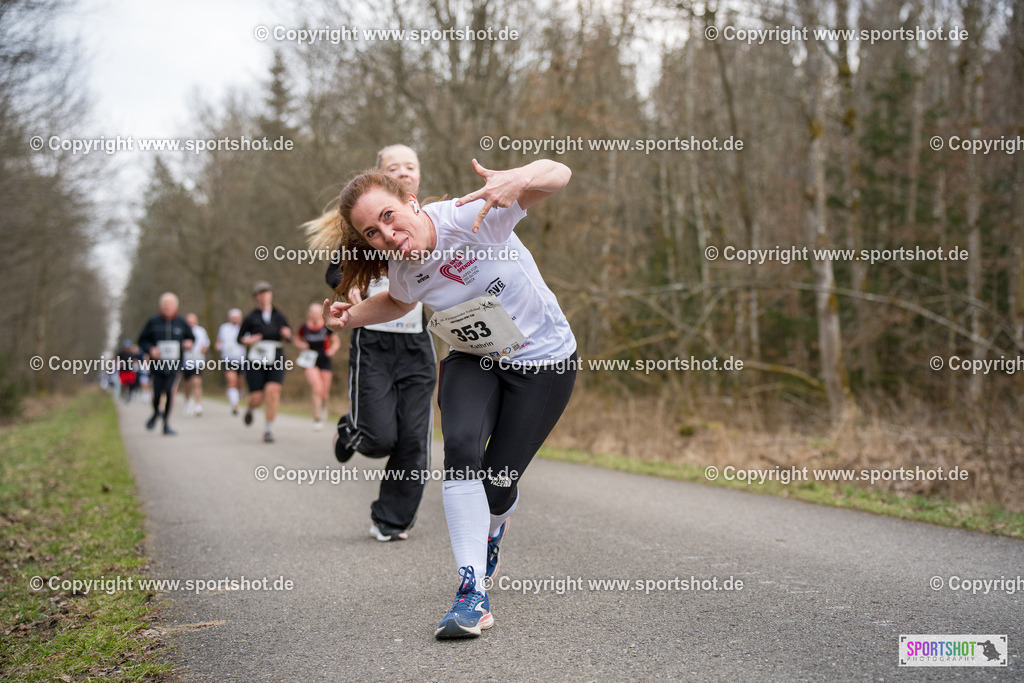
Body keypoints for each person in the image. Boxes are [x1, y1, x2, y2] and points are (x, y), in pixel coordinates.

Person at [323, 158, 576, 639]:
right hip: (473, 355)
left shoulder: (469, 216)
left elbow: (560, 174)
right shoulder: (402, 268)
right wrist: (351, 316)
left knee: (498, 486)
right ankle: (470, 595)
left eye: (389, 216)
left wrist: (520, 178)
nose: (387, 234)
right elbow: (399, 301)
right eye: (372, 233)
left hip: (544, 362)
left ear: (411, 201)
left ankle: (493, 529)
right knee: (460, 448)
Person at [310, 144, 438, 543]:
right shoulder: (364, 230)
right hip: (375, 345)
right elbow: (337, 275)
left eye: (410, 166)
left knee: (414, 439)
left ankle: (391, 519)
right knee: (380, 437)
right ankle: (353, 430)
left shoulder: (430, 218)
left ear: (416, 178)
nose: (404, 171)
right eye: (394, 167)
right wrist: (351, 290)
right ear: (378, 176)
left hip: (417, 344)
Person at [238, 281, 292, 443]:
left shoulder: (279, 316)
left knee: (273, 391)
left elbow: (289, 337)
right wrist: (248, 340)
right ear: (256, 297)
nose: (264, 296)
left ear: (271, 295)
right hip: (256, 359)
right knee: (257, 396)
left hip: (276, 356)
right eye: (260, 293)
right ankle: (250, 408)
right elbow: (239, 338)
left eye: (266, 292)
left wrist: (288, 335)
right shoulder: (250, 317)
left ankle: (268, 430)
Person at [137, 292, 195, 436]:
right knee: (157, 394)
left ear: (176, 306)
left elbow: (191, 338)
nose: (167, 307)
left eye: (170, 305)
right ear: (160, 306)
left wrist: (189, 343)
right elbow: (142, 340)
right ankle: (156, 412)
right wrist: (151, 349)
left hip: (175, 364)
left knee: (169, 391)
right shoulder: (153, 321)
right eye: (165, 305)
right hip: (157, 365)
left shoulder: (182, 322)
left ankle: (166, 424)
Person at [294, 302, 340, 430]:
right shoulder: (304, 327)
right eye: (312, 313)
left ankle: (323, 407)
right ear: (309, 314)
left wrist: (333, 350)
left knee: (324, 392)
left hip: (324, 359)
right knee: (316, 387)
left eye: (317, 313)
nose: (314, 315)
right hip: (309, 360)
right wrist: (301, 345)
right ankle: (317, 417)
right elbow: (297, 339)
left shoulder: (326, 326)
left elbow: (335, 342)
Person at [215, 308, 246, 415]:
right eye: (233, 318)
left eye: (237, 318)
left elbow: (248, 341)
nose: (235, 320)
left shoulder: (244, 328)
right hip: (228, 358)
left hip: (241, 359)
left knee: (240, 381)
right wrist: (218, 346)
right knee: (231, 380)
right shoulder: (224, 328)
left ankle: (239, 394)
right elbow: (219, 341)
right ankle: (235, 404)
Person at [182, 312, 210, 416]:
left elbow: (206, 344)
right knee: (188, 383)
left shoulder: (201, 331)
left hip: (198, 360)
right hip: (186, 361)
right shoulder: (183, 331)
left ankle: (198, 405)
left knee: (197, 382)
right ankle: (188, 402)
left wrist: (204, 349)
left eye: (193, 321)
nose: (191, 323)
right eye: (189, 322)